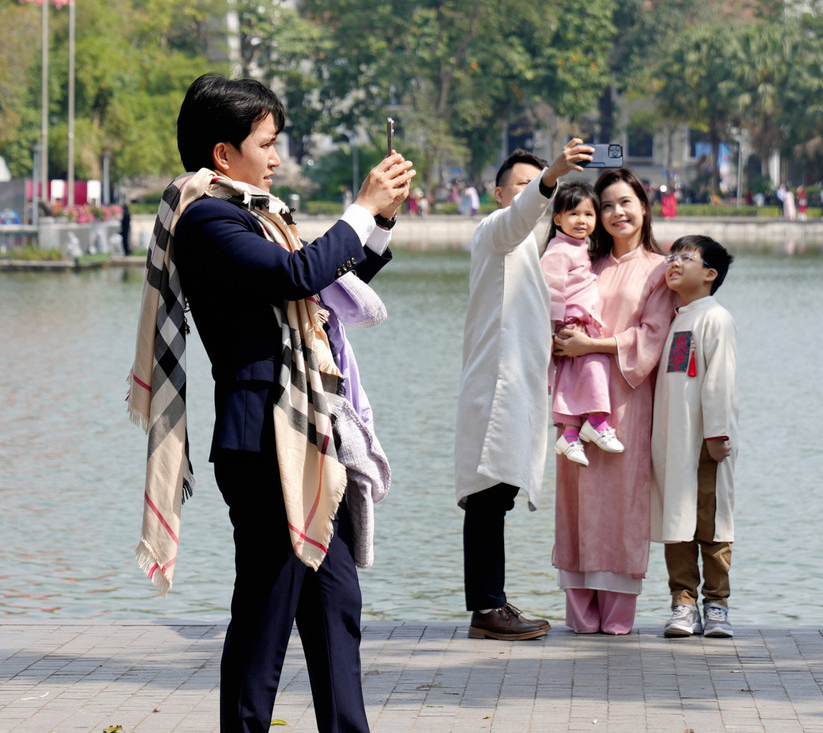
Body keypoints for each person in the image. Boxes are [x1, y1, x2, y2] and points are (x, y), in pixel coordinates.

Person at [128, 73, 414, 733]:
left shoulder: (260, 217)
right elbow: (297, 275)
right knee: (266, 613)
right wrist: (359, 208)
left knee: (335, 607)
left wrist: (380, 218)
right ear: (223, 153)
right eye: (267, 143)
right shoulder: (207, 219)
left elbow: (327, 283)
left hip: (306, 433)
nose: (277, 157)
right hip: (263, 440)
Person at [452, 143, 591, 640]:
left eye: (541, 184)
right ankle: (487, 607)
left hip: (515, 387)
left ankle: (492, 601)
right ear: (498, 194)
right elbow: (519, 215)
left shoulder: (534, 248)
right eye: (523, 184)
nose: (535, 192)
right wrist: (551, 175)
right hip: (497, 386)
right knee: (488, 498)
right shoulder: (497, 229)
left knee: (497, 496)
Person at [551, 168, 677, 635]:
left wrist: (592, 346)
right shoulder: (583, 261)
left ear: (644, 206)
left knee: (622, 500)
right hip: (578, 398)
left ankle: (618, 617)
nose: (616, 213)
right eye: (606, 205)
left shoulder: (660, 269)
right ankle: (581, 616)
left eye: (625, 202)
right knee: (577, 498)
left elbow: (652, 336)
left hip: (626, 399)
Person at [651, 235, 739, 640]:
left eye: (685, 258)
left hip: (706, 443)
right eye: (671, 256)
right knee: (677, 521)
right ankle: (682, 603)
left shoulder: (715, 318)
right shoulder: (675, 318)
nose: (674, 263)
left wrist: (717, 434)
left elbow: (720, 381)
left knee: (712, 521)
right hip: (673, 443)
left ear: (709, 274)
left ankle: (717, 604)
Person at [541, 181, 625, 467]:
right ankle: (597, 422)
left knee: (571, 379)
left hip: (580, 322)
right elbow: (551, 291)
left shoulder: (579, 247)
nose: (582, 221)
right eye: (574, 214)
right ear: (557, 219)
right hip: (570, 324)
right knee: (594, 367)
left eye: (589, 214)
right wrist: (556, 328)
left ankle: (570, 433)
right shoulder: (559, 250)